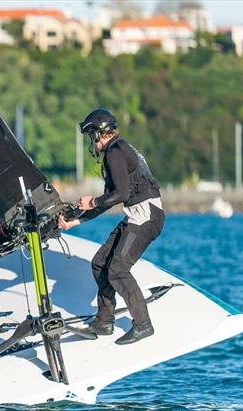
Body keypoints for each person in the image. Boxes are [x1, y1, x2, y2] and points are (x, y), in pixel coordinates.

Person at [59, 108, 164, 345]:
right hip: (139, 215)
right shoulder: (117, 151)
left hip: (146, 216)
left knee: (117, 269)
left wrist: (92, 201)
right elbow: (111, 198)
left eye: (91, 136)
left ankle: (143, 325)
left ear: (99, 133)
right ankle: (105, 321)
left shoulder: (115, 152)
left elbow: (121, 194)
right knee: (100, 263)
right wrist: (76, 220)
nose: (90, 142)